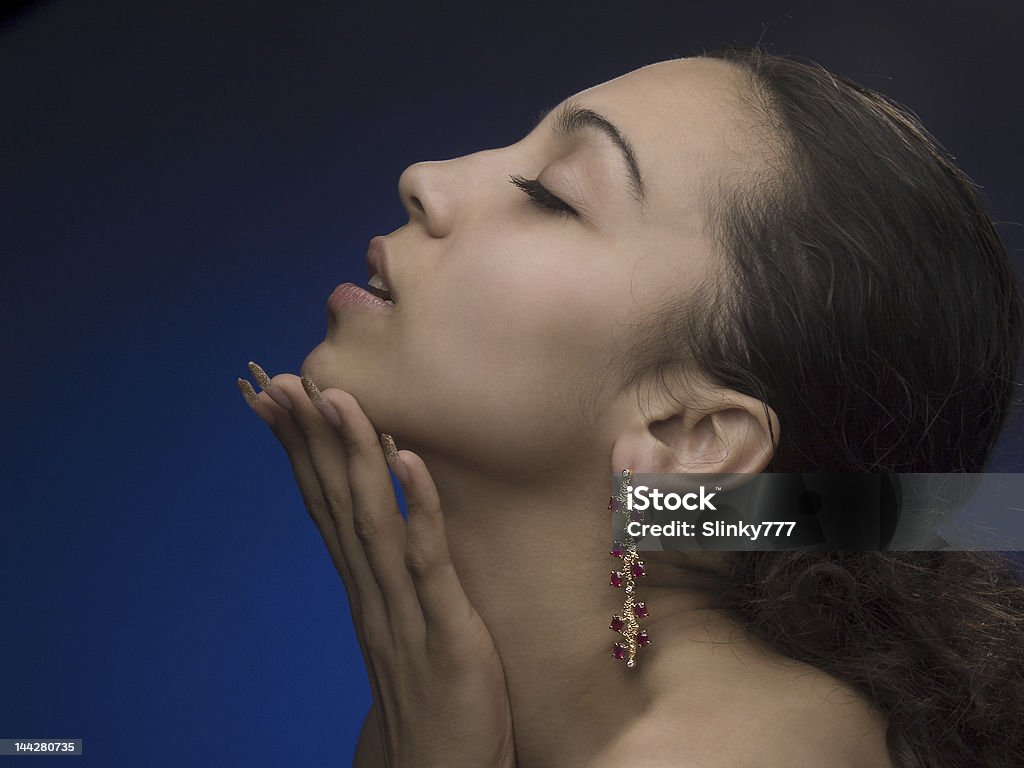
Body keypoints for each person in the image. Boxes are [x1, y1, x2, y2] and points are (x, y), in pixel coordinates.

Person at [236, 47, 1024, 768]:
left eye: (551, 195)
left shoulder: (736, 753)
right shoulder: (432, 718)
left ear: (694, 438)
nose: (426, 176)